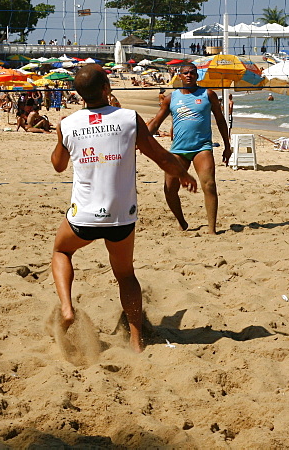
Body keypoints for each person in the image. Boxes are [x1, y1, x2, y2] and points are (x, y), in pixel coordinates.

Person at [51, 65, 197, 353]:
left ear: (78, 94)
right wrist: (183, 173)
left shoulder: (67, 124)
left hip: (85, 216)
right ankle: (135, 341)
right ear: (107, 88)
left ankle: (67, 308)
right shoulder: (129, 118)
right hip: (121, 215)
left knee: (62, 251)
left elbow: (57, 165)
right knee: (125, 275)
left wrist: (61, 138)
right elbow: (160, 156)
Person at [147, 62, 232, 235]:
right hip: (178, 150)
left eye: (192, 73)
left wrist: (227, 145)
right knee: (169, 189)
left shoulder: (208, 94)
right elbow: (156, 122)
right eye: (185, 73)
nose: (189, 75)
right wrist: (140, 140)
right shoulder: (172, 98)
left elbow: (221, 120)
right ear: (179, 76)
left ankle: (212, 230)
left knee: (209, 184)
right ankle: (182, 222)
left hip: (202, 147)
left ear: (197, 75)